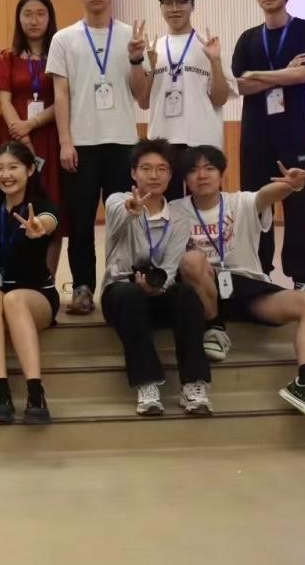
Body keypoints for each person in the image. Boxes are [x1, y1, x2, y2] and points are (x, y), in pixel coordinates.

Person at [174, 145, 305, 428]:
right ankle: (214, 326)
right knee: (192, 260)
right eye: (193, 170)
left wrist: (291, 185)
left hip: (245, 286)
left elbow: (266, 195)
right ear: (185, 179)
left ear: (221, 175)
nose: (202, 175)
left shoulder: (241, 202)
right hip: (201, 288)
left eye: (209, 168)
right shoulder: (175, 211)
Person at [47, 0, 147, 316]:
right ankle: (83, 288)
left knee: (124, 219)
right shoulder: (64, 38)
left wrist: (136, 59)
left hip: (122, 142)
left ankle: (121, 283)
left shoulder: (130, 36)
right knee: (81, 222)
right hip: (81, 145)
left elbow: (142, 94)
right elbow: (61, 93)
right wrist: (65, 141)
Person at [99, 139, 211, 417]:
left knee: (186, 295)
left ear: (171, 175)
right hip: (121, 292)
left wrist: (156, 288)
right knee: (130, 294)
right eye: (146, 168)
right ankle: (147, 384)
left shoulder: (179, 218)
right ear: (133, 173)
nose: (154, 175)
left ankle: (194, 384)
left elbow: (170, 268)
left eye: (162, 169)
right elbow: (119, 214)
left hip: (159, 290)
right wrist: (132, 209)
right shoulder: (117, 201)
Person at [232, 0, 305, 292]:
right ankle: (260, 273)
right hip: (255, 137)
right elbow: (239, 85)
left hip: (294, 135)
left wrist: (258, 74)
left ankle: (302, 278)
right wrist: (281, 73)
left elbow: (302, 75)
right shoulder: (248, 39)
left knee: (299, 208)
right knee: (256, 206)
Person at [0, 142, 61, 424]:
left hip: (35, 296)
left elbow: (49, 221)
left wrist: (39, 227)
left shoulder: (42, 205)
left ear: (30, 169)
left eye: (13, 167)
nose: (6, 174)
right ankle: (0, 390)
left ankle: (35, 392)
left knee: (14, 299)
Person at [135, 0, 233, 198]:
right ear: (161, 7)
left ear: (192, 5)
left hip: (201, 139)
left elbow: (220, 99)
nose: (175, 8)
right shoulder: (153, 48)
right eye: (168, 2)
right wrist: (150, 67)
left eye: (181, 2)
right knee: (165, 208)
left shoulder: (208, 45)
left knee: (204, 208)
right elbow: (143, 103)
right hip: (162, 142)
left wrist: (215, 61)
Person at [0, 0, 63, 274]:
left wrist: (31, 125)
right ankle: (6, 275)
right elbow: (3, 101)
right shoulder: (6, 58)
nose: (34, 20)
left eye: (41, 14)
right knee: (7, 204)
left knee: (51, 204)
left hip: (50, 138)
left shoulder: (60, 55)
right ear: (18, 19)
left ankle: (48, 279)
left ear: (50, 18)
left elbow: (64, 99)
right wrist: (23, 136)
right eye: (27, 14)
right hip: (12, 137)